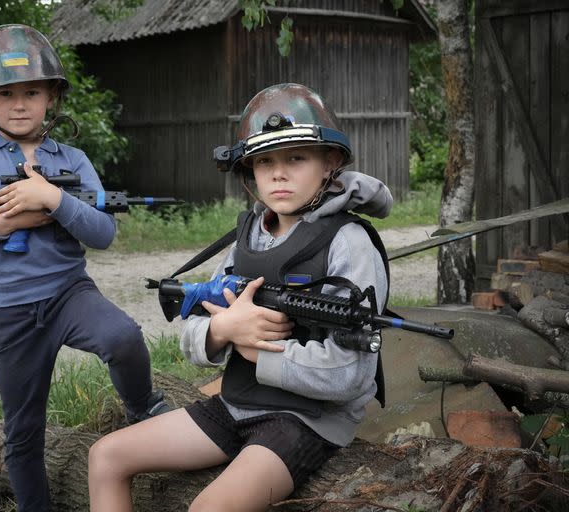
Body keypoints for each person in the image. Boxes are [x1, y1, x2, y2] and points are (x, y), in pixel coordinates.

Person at [87, 83, 393, 511]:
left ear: (331, 162)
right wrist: (222, 328)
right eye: (264, 161)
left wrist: (257, 352)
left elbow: (350, 377)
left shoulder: (349, 243)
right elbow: (192, 336)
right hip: (236, 404)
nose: (278, 174)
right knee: (106, 456)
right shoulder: (248, 238)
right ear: (250, 172)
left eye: (296, 158)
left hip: (306, 420)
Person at [0, 24, 169, 512]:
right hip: (10, 311)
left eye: (31, 91)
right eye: (4, 93)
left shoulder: (73, 158)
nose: (18, 103)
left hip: (69, 292)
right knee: (22, 434)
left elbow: (103, 233)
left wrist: (53, 199)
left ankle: (141, 407)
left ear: (51, 98)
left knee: (123, 336)